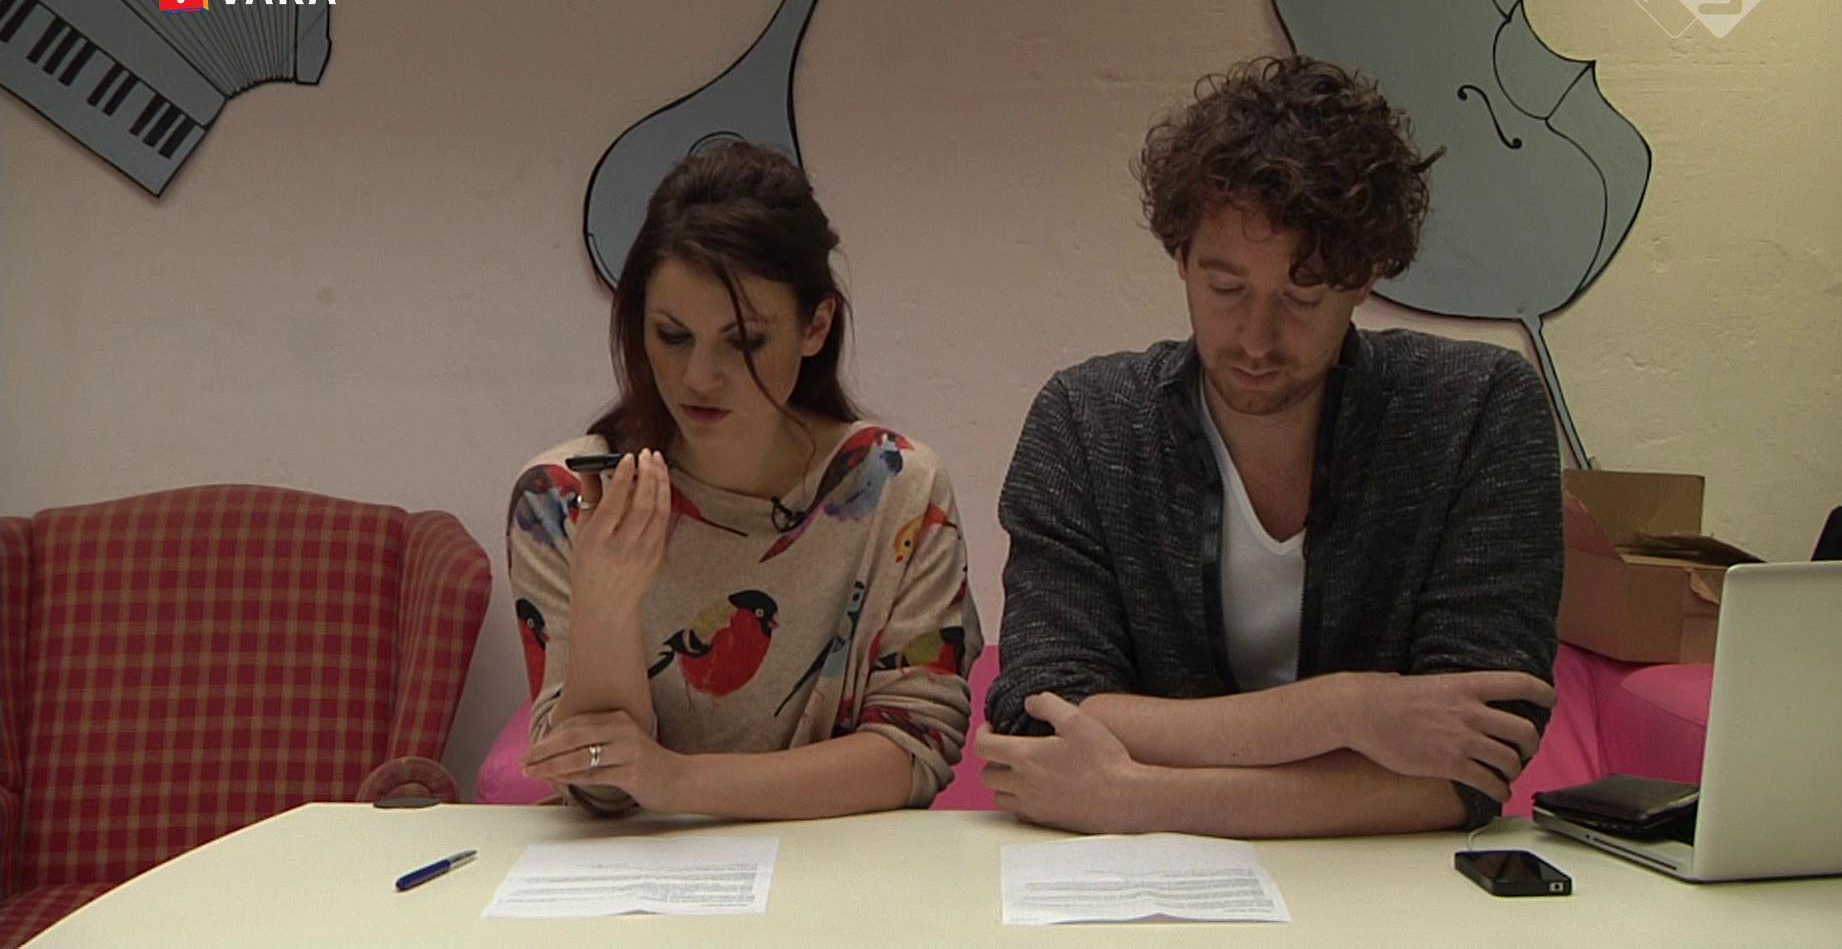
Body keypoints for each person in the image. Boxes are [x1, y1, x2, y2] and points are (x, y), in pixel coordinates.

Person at [981, 55, 1562, 836]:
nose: (1256, 338)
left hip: (1384, 884)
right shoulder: (1088, 422)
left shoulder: (1476, 410)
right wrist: (1348, 711)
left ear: (1367, 277)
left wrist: (1134, 795)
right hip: (1141, 886)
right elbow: (1043, 707)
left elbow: (1479, 758)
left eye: (1303, 294)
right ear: (1180, 258)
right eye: (1225, 288)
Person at [509, 141, 980, 818]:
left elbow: (915, 750)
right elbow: (597, 786)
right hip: (636, 876)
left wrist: (678, 782)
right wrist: (606, 607)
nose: (699, 377)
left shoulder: (898, 488)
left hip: (844, 867)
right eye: (672, 336)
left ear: (816, 326)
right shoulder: (563, 497)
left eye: (745, 341)